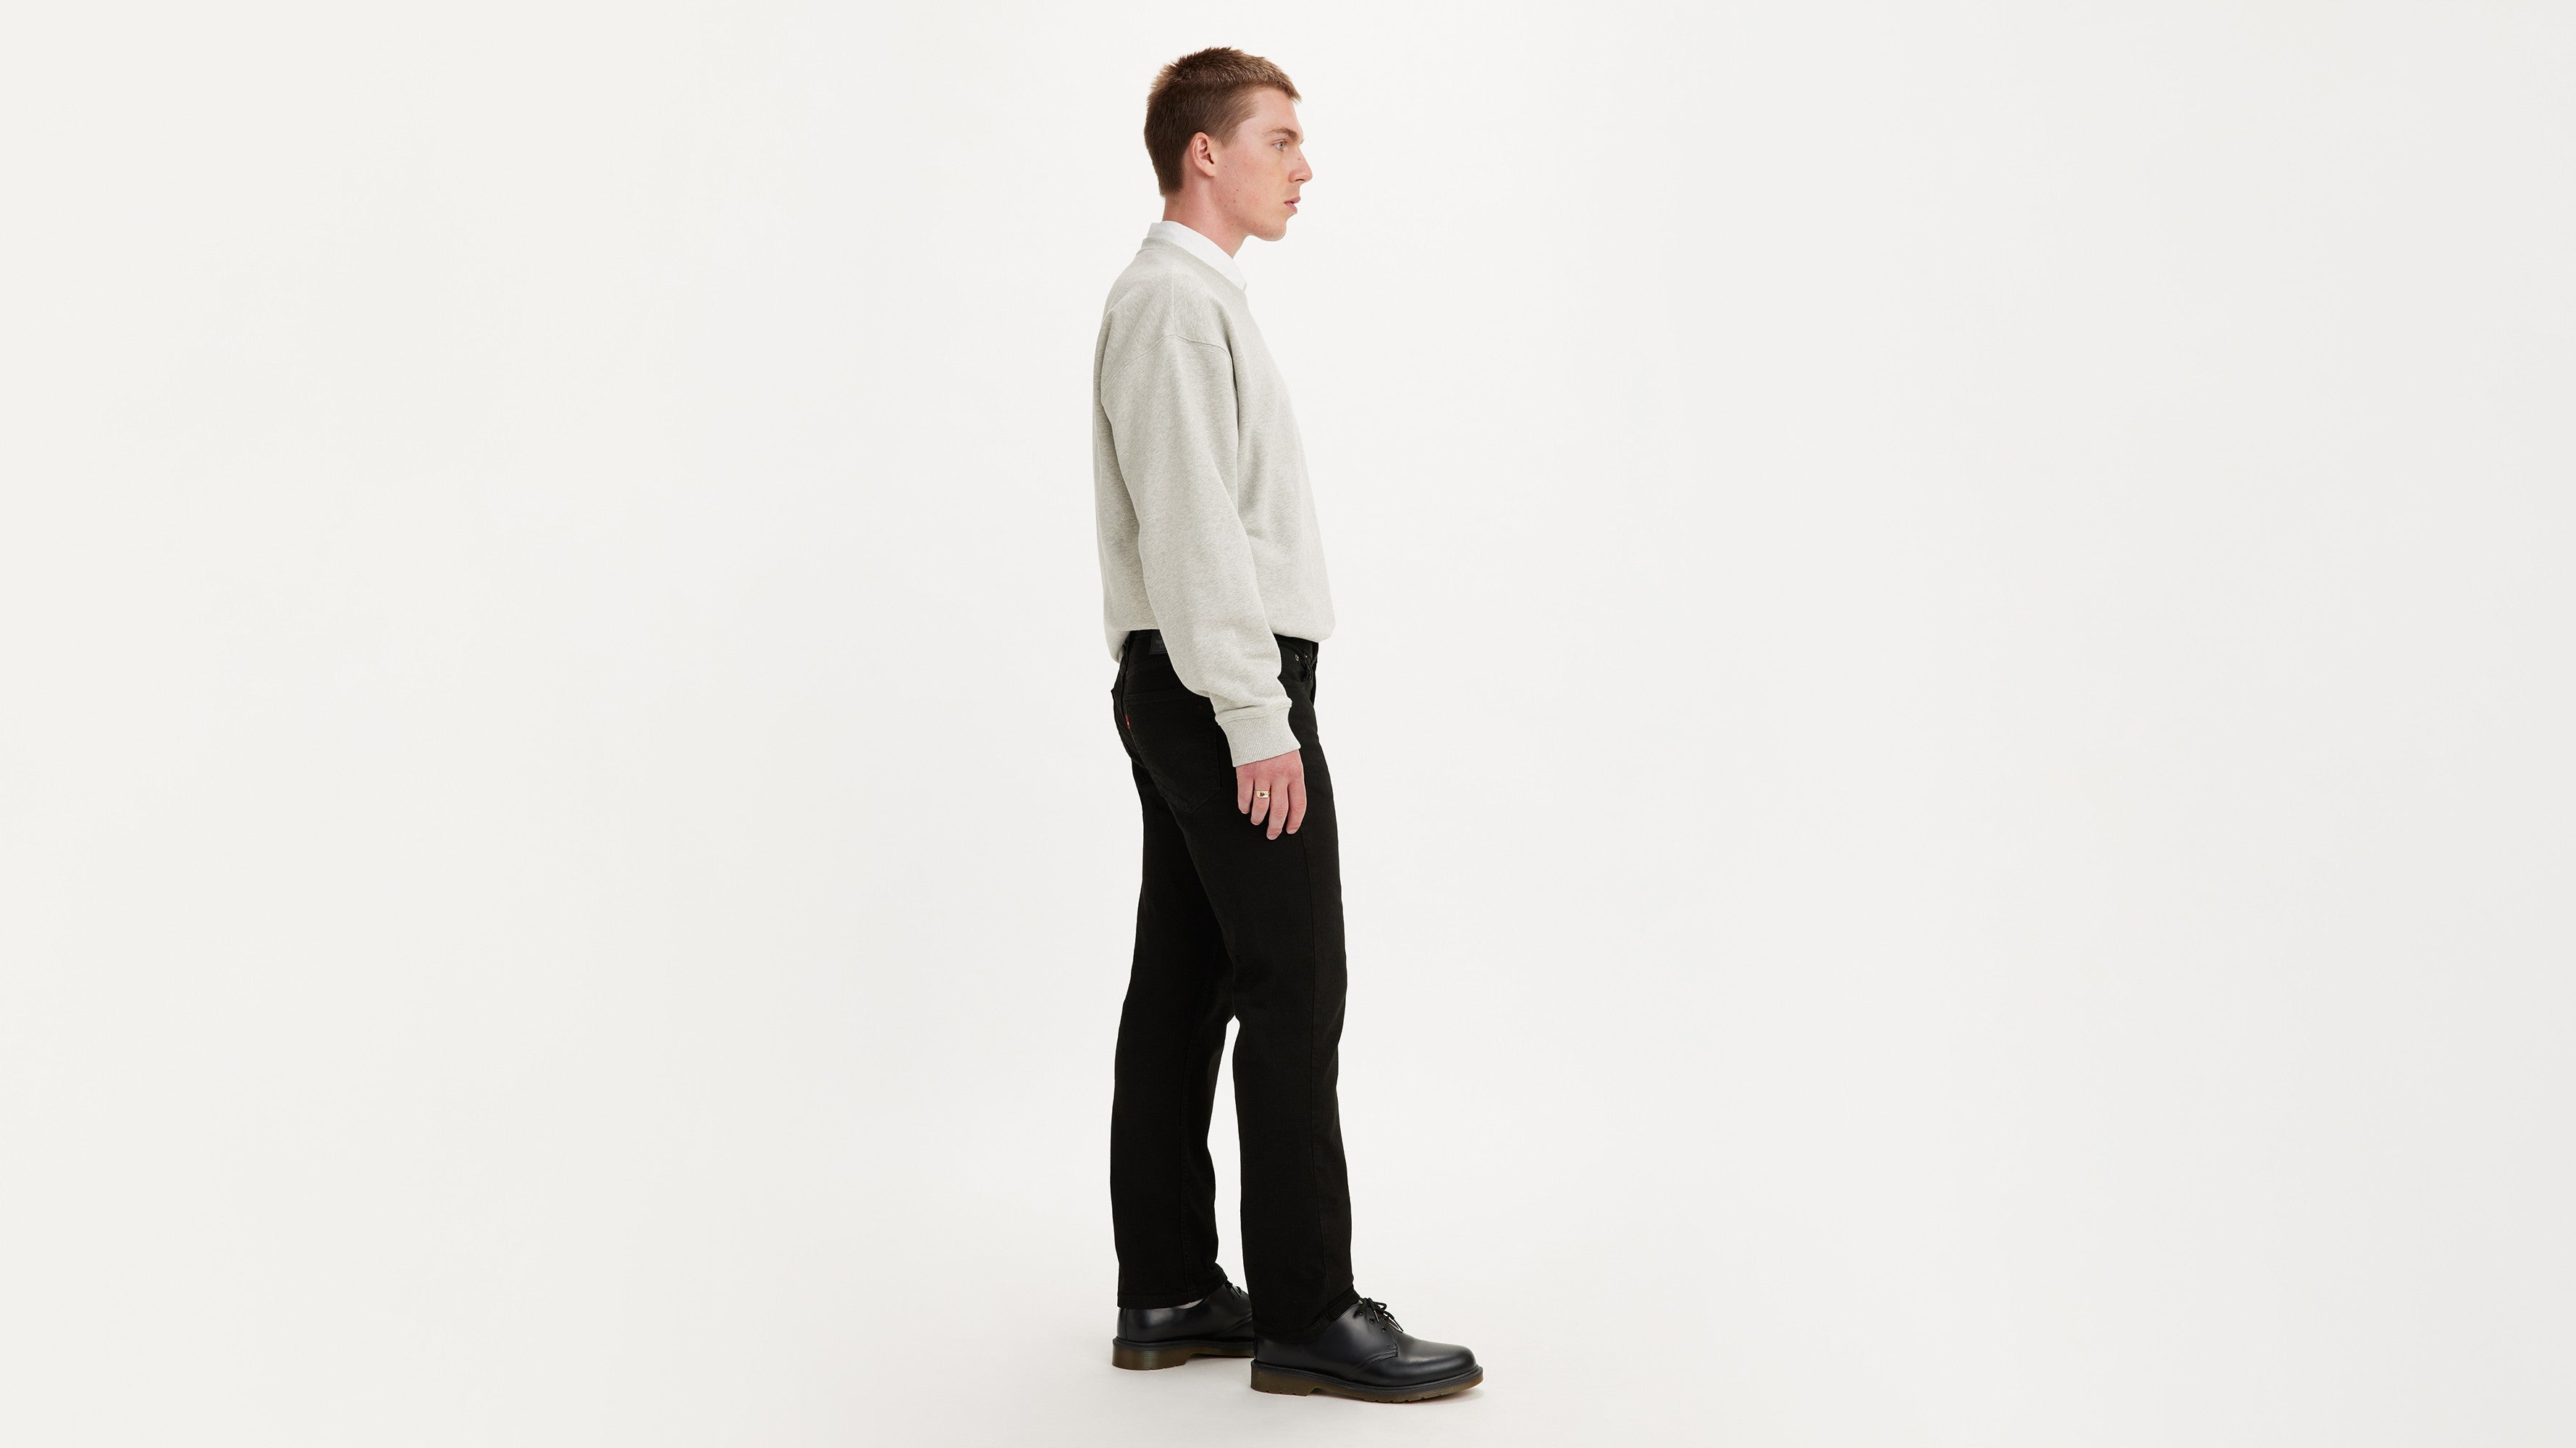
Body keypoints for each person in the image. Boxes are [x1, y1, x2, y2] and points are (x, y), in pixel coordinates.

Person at [1087, 47, 1481, 1405]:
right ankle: (1308, 1311)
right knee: (1295, 984)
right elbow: (1194, 527)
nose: (1303, 169)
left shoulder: (1192, 301)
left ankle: (1169, 1288)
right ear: (1205, 153)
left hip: (1194, 680)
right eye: (1279, 140)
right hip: (1222, 687)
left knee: (1187, 982)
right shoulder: (1171, 303)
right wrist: (1259, 717)